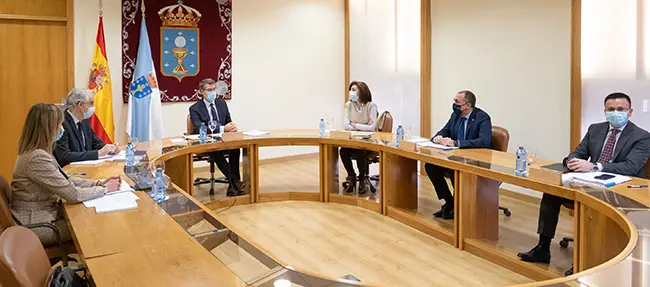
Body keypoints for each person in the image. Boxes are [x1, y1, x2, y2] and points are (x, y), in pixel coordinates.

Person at [518, 92, 650, 275]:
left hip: (620, 188)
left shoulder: (642, 136)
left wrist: (595, 166)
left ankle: (585, 259)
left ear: (630, 112)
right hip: (590, 181)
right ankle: (543, 247)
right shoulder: (595, 129)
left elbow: (630, 167)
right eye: (611, 109)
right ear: (605, 111)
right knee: (552, 191)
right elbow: (577, 153)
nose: (615, 113)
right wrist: (571, 161)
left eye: (621, 109)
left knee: (591, 204)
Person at [11, 104, 121, 246]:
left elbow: (65, 179)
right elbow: (72, 195)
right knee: (91, 224)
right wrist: (105, 190)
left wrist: (97, 183)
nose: (61, 129)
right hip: (38, 225)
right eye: (58, 125)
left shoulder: (38, 151)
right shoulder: (37, 157)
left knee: (88, 216)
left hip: (45, 215)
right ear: (47, 129)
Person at [425, 90, 492, 219]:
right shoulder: (455, 116)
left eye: (456, 101)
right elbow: (443, 131)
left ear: (467, 105)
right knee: (431, 166)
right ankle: (451, 203)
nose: (454, 104)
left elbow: (484, 141)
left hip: (475, 161)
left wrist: (457, 142)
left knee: (457, 171)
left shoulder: (482, 117)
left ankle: (459, 208)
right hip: (455, 158)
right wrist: (438, 138)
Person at [189, 78, 244, 197]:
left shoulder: (221, 103)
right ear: (202, 92)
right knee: (216, 153)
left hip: (224, 140)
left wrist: (232, 127)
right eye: (209, 90)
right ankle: (235, 182)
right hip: (207, 143)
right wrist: (224, 129)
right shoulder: (195, 108)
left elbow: (228, 121)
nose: (212, 92)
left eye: (214, 89)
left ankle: (233, 184)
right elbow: (199, 128)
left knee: (235, 149)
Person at [54, 88, 119, 167]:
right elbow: (65, 156)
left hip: (87, 168)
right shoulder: (61, 123)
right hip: (70, 171)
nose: (93, 107)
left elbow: (95, 142)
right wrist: (99, 153)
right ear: (80, 105)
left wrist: (110, 148)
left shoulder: (84, 121)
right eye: (91, 103)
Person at [340, 81, 378, 194]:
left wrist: (355, 124)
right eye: (350, 89)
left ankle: (362, 178)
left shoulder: (371, 105)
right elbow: (346, 125)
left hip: (368, 142)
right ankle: (351, 176)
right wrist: (363, 125)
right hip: (353, 140)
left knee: (360, 152)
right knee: (343, 151)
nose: (351, 92)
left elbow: (371, 127)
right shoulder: (348, 105)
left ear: (362, 91)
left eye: (354, 89)